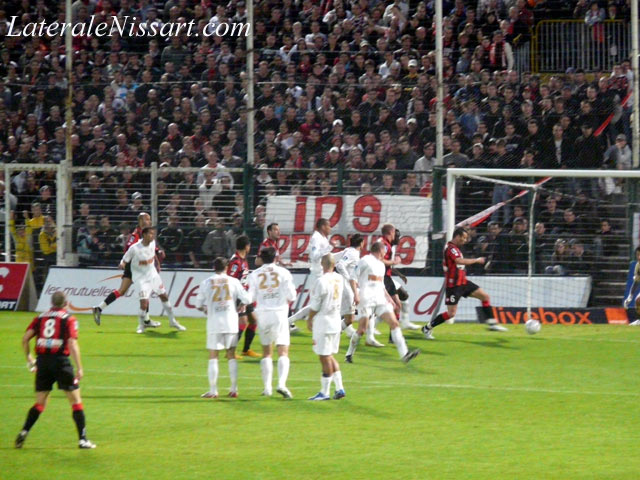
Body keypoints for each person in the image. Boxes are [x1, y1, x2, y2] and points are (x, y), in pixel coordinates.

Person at [15, 291, 96, 449]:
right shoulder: (69, 319)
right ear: (66, 303)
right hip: (61, 363)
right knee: (76, 402)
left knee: (40, 403)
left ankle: (24, 431)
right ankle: (83, 439)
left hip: (42, 363)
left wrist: (29, 359)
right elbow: (72, 343)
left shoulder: (40, 317)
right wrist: (79, 367)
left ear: (52, 303)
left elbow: (25, 339)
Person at [422, 227, 507, 340]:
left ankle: (492, 323)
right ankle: (427, 328)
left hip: (463, 282)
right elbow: (459, 261)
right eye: (464, 238)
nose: (465, 240)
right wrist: (476, 260)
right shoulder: (451, 248)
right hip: (454, 286)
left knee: (485, 296)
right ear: (457, 236)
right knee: (451, 314)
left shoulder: (455, 248)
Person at [345, 241, 420, 364]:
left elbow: (381, 284)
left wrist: (389, 298)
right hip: (366, 299)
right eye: (384, 250)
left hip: (380, 299)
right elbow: (353, 278)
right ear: (380, 250)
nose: (386, 252)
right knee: (362, 330)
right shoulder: (365, 260)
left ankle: (405, 354)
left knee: (394, 323)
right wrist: (356, 294)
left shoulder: (381, 265)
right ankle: (349, 353)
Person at [196, 257, 252, 398]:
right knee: (231, 355)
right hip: (231, 322)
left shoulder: (206, 282)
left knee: (213, 356)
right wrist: (241, 305)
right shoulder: (234, 281)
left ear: (213, 267)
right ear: (227, 267)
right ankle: (234, 389)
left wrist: (205, 309)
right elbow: (247, 298)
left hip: (214, 323)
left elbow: (198, 304)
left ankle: (213, 390)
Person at [92, 212, 161, 328]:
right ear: (140, 221)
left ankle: (99, 308)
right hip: (135, 268)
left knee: (122, 291)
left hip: (139, 268)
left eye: (149, 219)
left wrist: (157, 261)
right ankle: (146, 320)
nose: (148, 221)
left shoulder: (146, 233)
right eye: (146, 219)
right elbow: (129, 249)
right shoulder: (135, 235)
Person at [248, 247, 297, 398]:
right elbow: (292, 296)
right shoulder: (284, 272)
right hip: (280, 313)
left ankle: (267, 388)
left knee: (266, 352)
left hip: (263, 314)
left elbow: (250, 297)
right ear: (275, 257)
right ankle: (281, 384)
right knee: (283, 350)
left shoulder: (254, 274)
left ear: (261, 258)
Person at [121, 226, 186, 333]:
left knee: (164, 296)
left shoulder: (152, 243)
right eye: (150, 234)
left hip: (153, 276)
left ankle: (172, 321)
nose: (153, 236)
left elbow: (153, 254)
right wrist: (122, 264)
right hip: (141, 278)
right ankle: (141, 325)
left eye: (153, 234)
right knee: (144, 304)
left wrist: (158, 261)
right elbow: (125, 259)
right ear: (144, 235)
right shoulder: (134, 248)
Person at [306, 254, 347, 401]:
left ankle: (325, 392)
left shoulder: (321, 281)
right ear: (333, 264)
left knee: (324, 357)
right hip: (336, 320)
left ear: (322, 265)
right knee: (329, 355)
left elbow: (316, 304)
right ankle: (340, 388)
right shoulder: (339, 278)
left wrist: (309, 318)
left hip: (323, 322)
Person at [287, 218, 340, 326]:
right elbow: (314, 256)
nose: (330, 228)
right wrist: (330, 247)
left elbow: (325, 256)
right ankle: (289, 321)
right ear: (323, 227)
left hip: (323, 274)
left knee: (323, 302)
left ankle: (290, 321)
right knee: (316, 304)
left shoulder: (323, 238)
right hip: (317, 275)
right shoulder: (316, 238)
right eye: (329, 226)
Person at [378, 224, 420, 332]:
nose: (397, 238)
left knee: (398, 302)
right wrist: (394, 262)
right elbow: (380, 260)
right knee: (388, 305)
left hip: (386, 276)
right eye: (395, 235)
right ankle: (372, 328)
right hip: (381, 277)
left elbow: (388, 264)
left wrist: (399, 274)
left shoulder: (388, 245)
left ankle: (396, 331)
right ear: (391, 233)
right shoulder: (384, 244)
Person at [227, 235, 261, 358]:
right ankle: (230, 352)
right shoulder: (235, 261)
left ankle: (246, 350)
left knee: (254, 320)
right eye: (249, 245)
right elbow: (230, 279)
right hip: (238, 296)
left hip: (245, 295)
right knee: (242, 321)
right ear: (246, 246)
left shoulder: (243, 259)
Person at [334, 233, 363, 340]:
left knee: (348, 317)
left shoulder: (349, 251)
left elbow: (333, 257)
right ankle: (332, 334)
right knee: (349, 319)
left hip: (346, 287)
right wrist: (349, 279)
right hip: (346, 288)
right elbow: (340, 265)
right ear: (361, 243)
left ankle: (333, 334)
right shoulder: (352, 253)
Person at [623, 247, 640, 326]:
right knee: (638, 301)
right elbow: (636, 282)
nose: (639, 257)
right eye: (637, 255)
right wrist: (630, 296)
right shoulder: (638, 266)